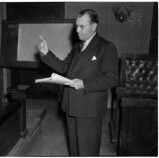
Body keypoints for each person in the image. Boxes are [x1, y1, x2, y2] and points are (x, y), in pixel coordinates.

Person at [38, 9, 119, 156]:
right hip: (71, 105)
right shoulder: (77, 47)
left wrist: (84, 84)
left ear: (94, 26)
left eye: (82, 26)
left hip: (89, 109)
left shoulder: (106, 47)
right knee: (74, 150)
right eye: (76, 26)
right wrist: (46, 53)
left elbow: (112, 78)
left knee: (87, 151)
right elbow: (63, 67)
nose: (77, 30)